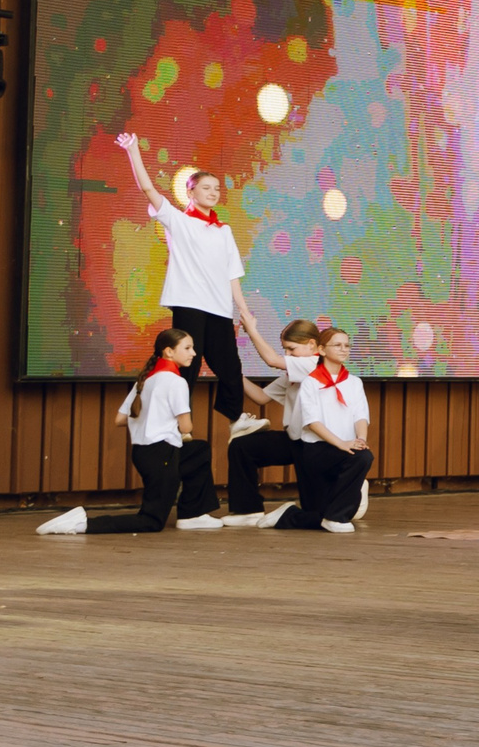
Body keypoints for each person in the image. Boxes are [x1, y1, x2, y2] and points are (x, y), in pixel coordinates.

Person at [114, 132, 263, 468]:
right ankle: (173, 425)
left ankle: (236, 419)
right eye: (206, 188)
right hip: (190, 306)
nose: (213, 193)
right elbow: (148, 190)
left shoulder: (223, 231)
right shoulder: (178, 221)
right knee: (187, 368)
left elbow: (232, 275)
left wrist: (243, 311)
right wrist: (134, 150)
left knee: (230, 366)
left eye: (216, 189)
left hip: (220, 309)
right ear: (191, 191)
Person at [35, 328, 219, 534]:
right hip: (162, 455)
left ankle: (192, 514)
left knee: (198, 450)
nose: (193, 353)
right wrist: (163, 420)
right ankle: (82, 524)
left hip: (144, 454)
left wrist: (151, 418)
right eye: (187, 348)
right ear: (168, 352)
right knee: (151, 521)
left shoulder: (145, 380)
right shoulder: (176, 382)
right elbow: (186, 427)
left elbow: (120, 419)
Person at [259, 326, 372, 532]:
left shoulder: (354, 382)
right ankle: (335, 517)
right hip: (318, 450)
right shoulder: (310, 382)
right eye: (337, 345)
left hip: (345, 449)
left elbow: (361, 416)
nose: (343, 349)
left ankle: (295, 515)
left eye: (347, 345)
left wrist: (361, 439)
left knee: (364, 456)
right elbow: (312, 422)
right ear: (321, 349)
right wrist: (340, 443)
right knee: (321, 510)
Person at [220, 318, 324, 527]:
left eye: (291, 349)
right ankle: (248, 510)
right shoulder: (295, 371)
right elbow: (260, 397)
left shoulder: (314, 364)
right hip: (295, 441)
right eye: (285, 349)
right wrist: (233, 374)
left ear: (312, 344)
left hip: (315, 445)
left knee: (316, 510)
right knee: (242, 447)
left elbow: (272, 360)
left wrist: (251, 330)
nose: (287, 354)